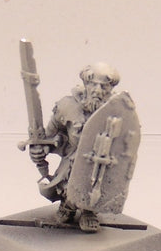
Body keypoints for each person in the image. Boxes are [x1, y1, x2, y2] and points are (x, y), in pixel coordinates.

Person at [28, 63, 121, 233]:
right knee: (68, 183)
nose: (98, 90)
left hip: (100, 163)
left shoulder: (117, 111)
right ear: (86, 83)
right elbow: (50, 135)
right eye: (93, 84)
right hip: (73, 160)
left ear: (111, 88)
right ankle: (67, 205)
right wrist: (41, 149)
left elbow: (125, 143)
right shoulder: (67, 106)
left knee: (95, 188)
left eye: (104, 86)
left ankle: (88, 212)